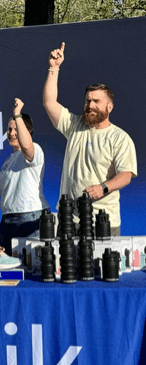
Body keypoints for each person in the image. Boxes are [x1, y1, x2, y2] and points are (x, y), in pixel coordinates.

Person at [42, 42, 138, 234]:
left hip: (103, 221)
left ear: (109, 107)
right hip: (69, 220)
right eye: (88, 101)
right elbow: (49, 102)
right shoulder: (74, 125)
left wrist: (103, 188)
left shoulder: (119, 138)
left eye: (96, 101)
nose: (90, 105)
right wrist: (54, 68)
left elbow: (126, 175)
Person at [0, 98, 50, 255]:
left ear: (27, 131)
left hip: (30, 217)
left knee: (31, 265)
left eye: (16, 129)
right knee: (5, 264)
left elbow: (26, 146)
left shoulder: (35, 150)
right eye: (9, 129)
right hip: (7, 219)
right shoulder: (8, 160)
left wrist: (17, 114)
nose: (12, 133)